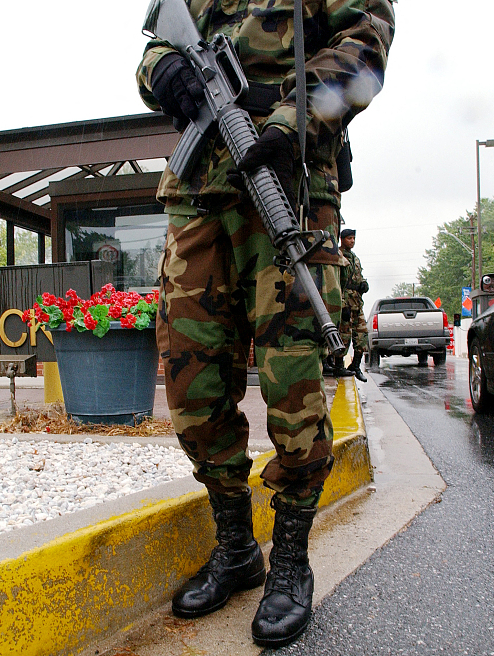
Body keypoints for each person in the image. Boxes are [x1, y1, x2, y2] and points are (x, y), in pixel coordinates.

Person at [136, 0, 393, 647]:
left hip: (290, 177)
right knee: (193, 383)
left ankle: (291, 562)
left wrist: (294, 121)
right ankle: (236, 549)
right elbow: (150, 52)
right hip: (198, 193)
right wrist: (162, 70)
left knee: (294, 379)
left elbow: (366, 42)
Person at [335, 227, 370, 381]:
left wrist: (363, 284)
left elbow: (359, 276)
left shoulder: (355, 258)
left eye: (353, 238)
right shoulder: (338, 255)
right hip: (345, 303)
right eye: (349, 238)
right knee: (344, 335)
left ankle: (355, 366)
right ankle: (339, 366)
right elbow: (336, 282)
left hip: (357, 302)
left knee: (362, 334)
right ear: (342, 239)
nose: (352, 241)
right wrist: (342, 305)